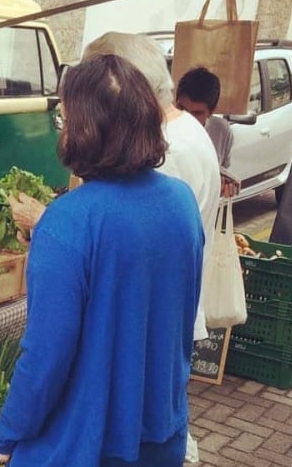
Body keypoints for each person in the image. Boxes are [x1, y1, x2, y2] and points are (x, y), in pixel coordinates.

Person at [0, 54, 204, 467]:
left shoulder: (67, 221)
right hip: (161, 439)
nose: (62, 130)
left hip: (81, 450)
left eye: (64, 119)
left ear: (85, 129)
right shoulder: (181, 202)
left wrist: (5, 436)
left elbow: (45, 357)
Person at [13, 32, 219, 341]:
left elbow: (132, 247)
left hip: (141, 324)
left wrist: (49, 224)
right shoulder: (183, 128)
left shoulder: (167, 148)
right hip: (158, 316)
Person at [174, 66, 239, 197]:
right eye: (182, 109)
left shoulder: (221, 131)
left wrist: (225, 184)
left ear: (211, 111)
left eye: (196, 113)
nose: (187, 117)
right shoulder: (162, 130)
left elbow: (221, 173)